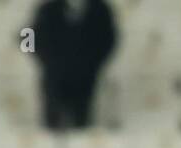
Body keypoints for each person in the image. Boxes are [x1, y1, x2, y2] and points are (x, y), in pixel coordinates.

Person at [29, 0, 117, 131]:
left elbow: (110, 39)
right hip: (54, 77)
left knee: (82, 123)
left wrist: (95, 64)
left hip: (86, 77)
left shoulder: (100, 9)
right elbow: (30, 36)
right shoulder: (48, 9)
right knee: (52, 124)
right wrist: (46, 61)